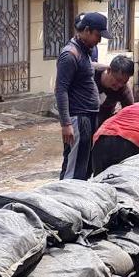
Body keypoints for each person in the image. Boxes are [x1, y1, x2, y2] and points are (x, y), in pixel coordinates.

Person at [55, 12, 107, 180]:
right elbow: (60, 89)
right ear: (86, 30)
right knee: (73, 168)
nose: (99, 40)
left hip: (88, 115)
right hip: (77, 116)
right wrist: (66, 123)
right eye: (98, 35)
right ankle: (63, 201)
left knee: (84, 167)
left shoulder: (84, 51)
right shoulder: (70, 55)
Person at [95, 54, 136, 128]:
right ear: (109, 70)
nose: (119, 85)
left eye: (124, 82)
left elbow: (130, 112)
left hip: (104, 122)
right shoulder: (90, 73)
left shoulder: (124, 89)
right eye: (118, 80)